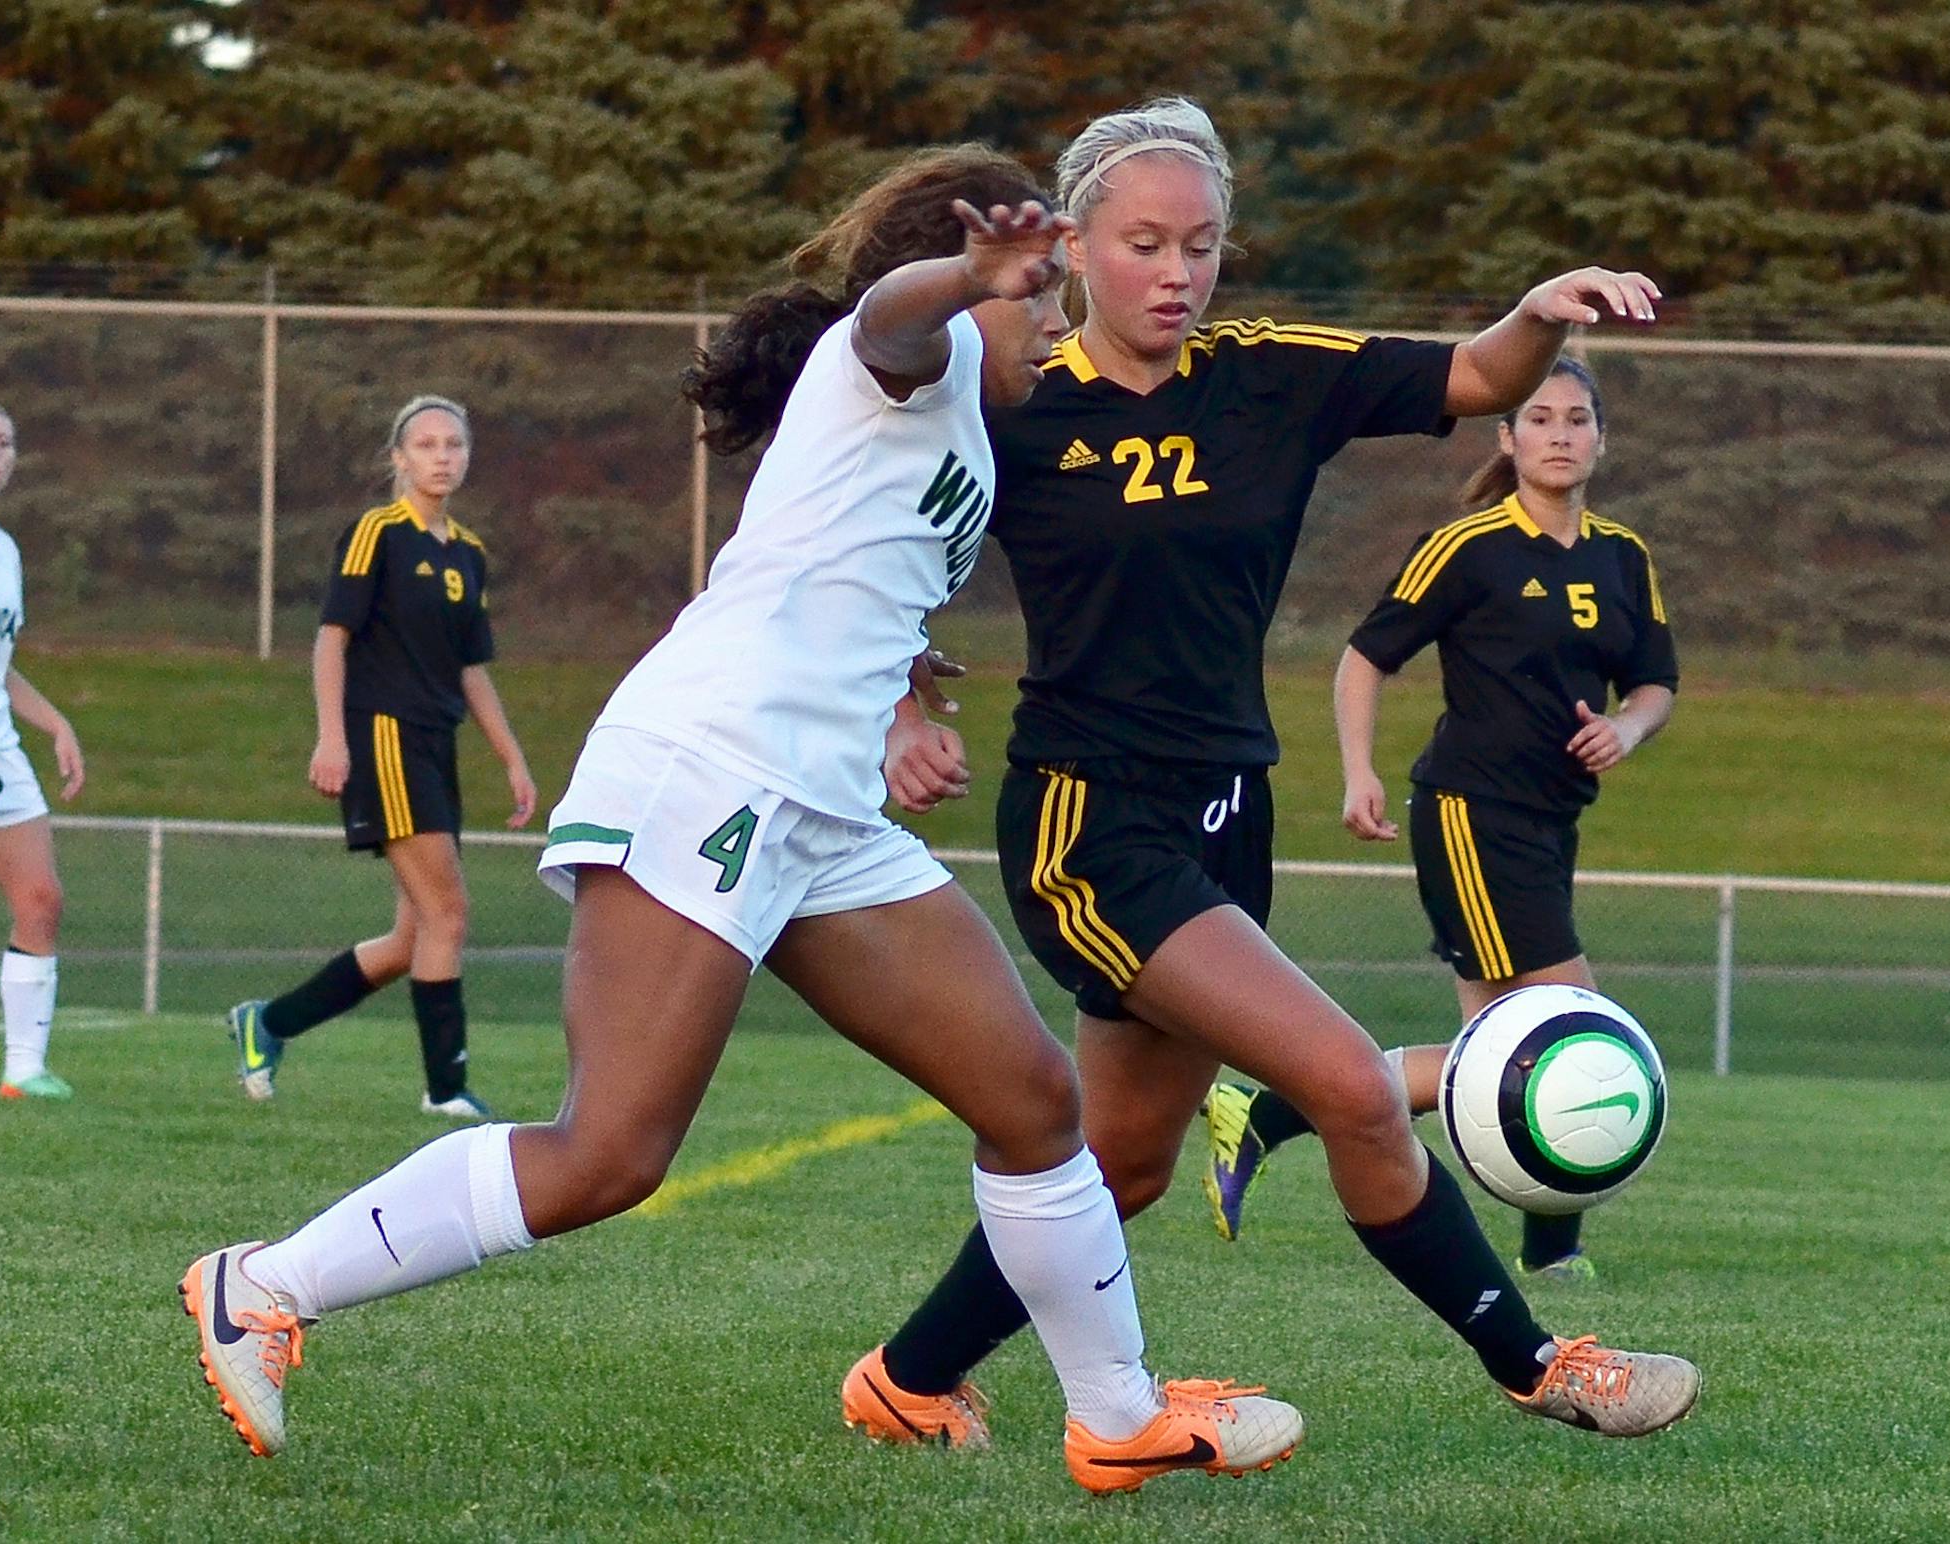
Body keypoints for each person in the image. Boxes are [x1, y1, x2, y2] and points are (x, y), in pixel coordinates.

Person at [181, 147, 1302, 1495]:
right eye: (1040, 290)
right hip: (711, 769)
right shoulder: (913, 348)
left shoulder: (968, 420)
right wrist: (961, 280)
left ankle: (1117, 1418)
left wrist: (902, 681)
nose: (1056, 318)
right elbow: (887, 318)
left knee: (1032, 1103)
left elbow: (852, 572)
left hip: (821, 810)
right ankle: (261, 1284)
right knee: (610, 1155)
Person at [858, 99, 1699, 1443]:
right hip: (1093, 824)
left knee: (1123, 1162)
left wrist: (1543, 309)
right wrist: (903, 701)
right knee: (1352, 1085)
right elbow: (872, 550)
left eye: (1201, 244)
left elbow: (1480, 376)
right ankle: (1540, 1365)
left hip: (1229, 811)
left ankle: (904, 1379)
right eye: (1144, 243)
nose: (1178, 273)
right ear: (1075, 246)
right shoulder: (1009, 403)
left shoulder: (1270, 376)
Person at [1204, 358, 1677, 1282]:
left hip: (1550, 822)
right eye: (1538, 418)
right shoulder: (1470, 546)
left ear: (1601, 439)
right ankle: (1553, 1251)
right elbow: (1362, 659)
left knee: (1496, 1052)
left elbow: (1656, 681)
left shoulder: (1623, 555)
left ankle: (1270, 1112)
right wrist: (1356, 775)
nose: (1559, 434)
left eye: (1578, 420)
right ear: (1507, 438)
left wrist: (1627, 726)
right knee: (1575, 1026)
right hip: (1471, 811)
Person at [225, 395, 537, 1118]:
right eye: (426, 445)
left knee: (412, 936)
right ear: (399, 459)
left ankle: (267, 1023)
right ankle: (446, 1089)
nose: (442, 456)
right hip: (384, 737)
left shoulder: (468, 553)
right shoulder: (378, 533)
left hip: (436, 743)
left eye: (454, 444)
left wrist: (512, 760)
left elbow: (471, 669)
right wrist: (331, 738)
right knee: (449, 911)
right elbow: (331, 638)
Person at [0, 401, 86, 1102]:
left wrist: (56, 722)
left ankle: (23, 1069)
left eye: (3, 442)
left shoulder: (3, 551)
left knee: (40, 898)